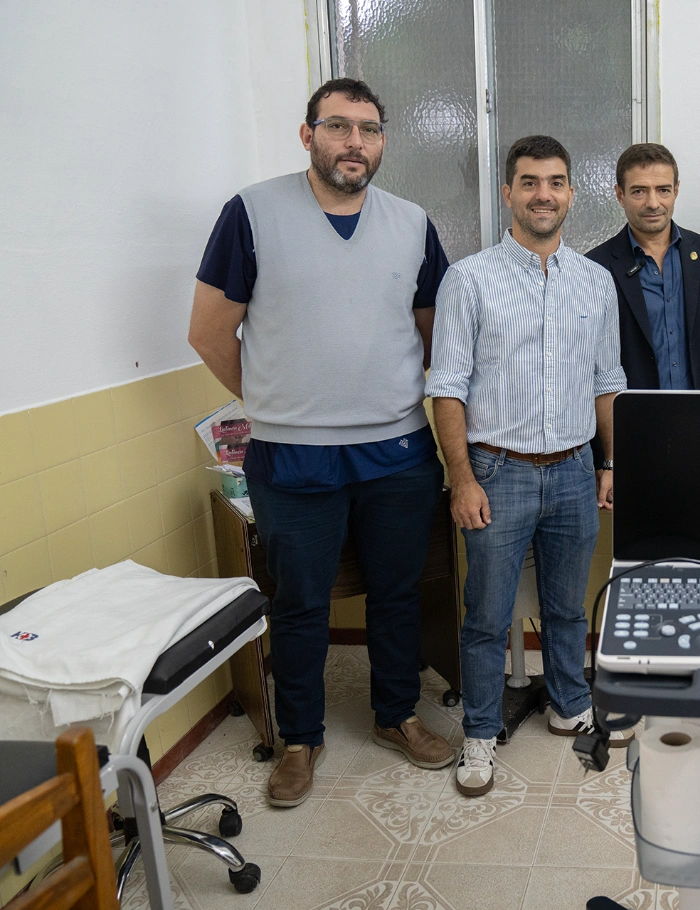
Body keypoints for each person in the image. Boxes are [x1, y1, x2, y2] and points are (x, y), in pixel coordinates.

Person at [187, 78, 453, 808]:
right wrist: (276, 401)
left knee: (398, 592)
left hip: (397, 449)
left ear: (382, 141)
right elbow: (210, 331)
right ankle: (300, 738)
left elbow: (436, 334)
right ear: (308, 135)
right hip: (291, 452)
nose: (354, 143)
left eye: (369, 129)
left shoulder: (411, 222)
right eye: (338, 127)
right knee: (300, 601)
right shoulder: (252, 214)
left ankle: (397, 715)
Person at [427, 135, 630, 798]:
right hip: (497, 470)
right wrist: (462, 477)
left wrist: (610, 462)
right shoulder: (470, 279)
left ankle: (571, 700)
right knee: (487, 615)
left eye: (555, 182)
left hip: (574, 469)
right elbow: (447, 386)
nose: (543, 193)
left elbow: (606, 380)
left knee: (568, 607)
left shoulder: (594, 283)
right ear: (509, 192)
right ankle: (481, 732)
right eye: (529, 181)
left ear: (572, 193)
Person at [587, 143, 700, 391]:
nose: (653, 203)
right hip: (635, 418)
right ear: (620, 195)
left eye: (663, 190)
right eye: (639, 192)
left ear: (676, 190)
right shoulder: (595, 267)